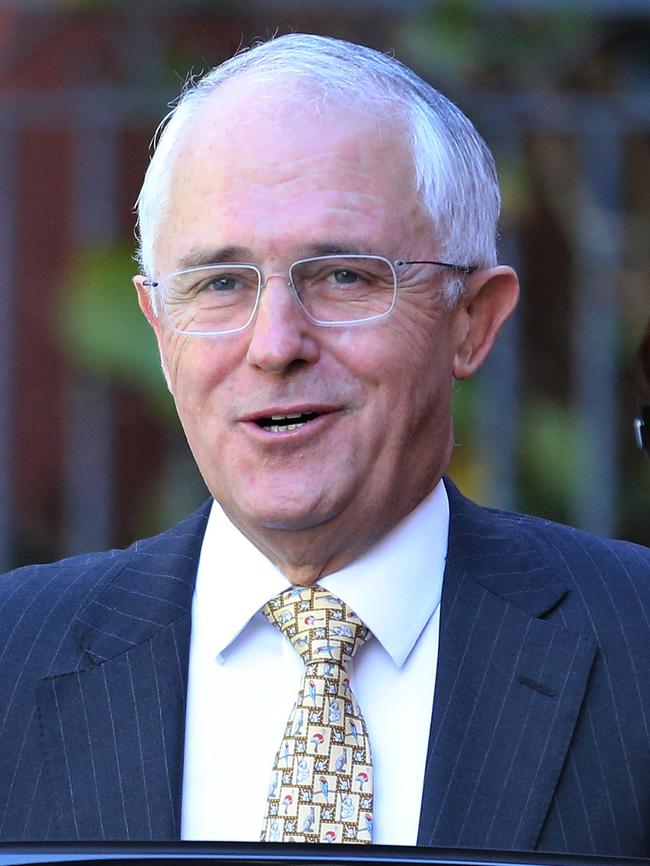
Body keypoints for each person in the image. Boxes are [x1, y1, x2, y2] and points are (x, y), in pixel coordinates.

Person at [1, 33, 649, 856]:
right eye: (221, 283)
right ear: (160, 331)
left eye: (344, 275)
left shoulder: (635, 649)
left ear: (472, 322)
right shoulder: (12, 662)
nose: (275, 344)